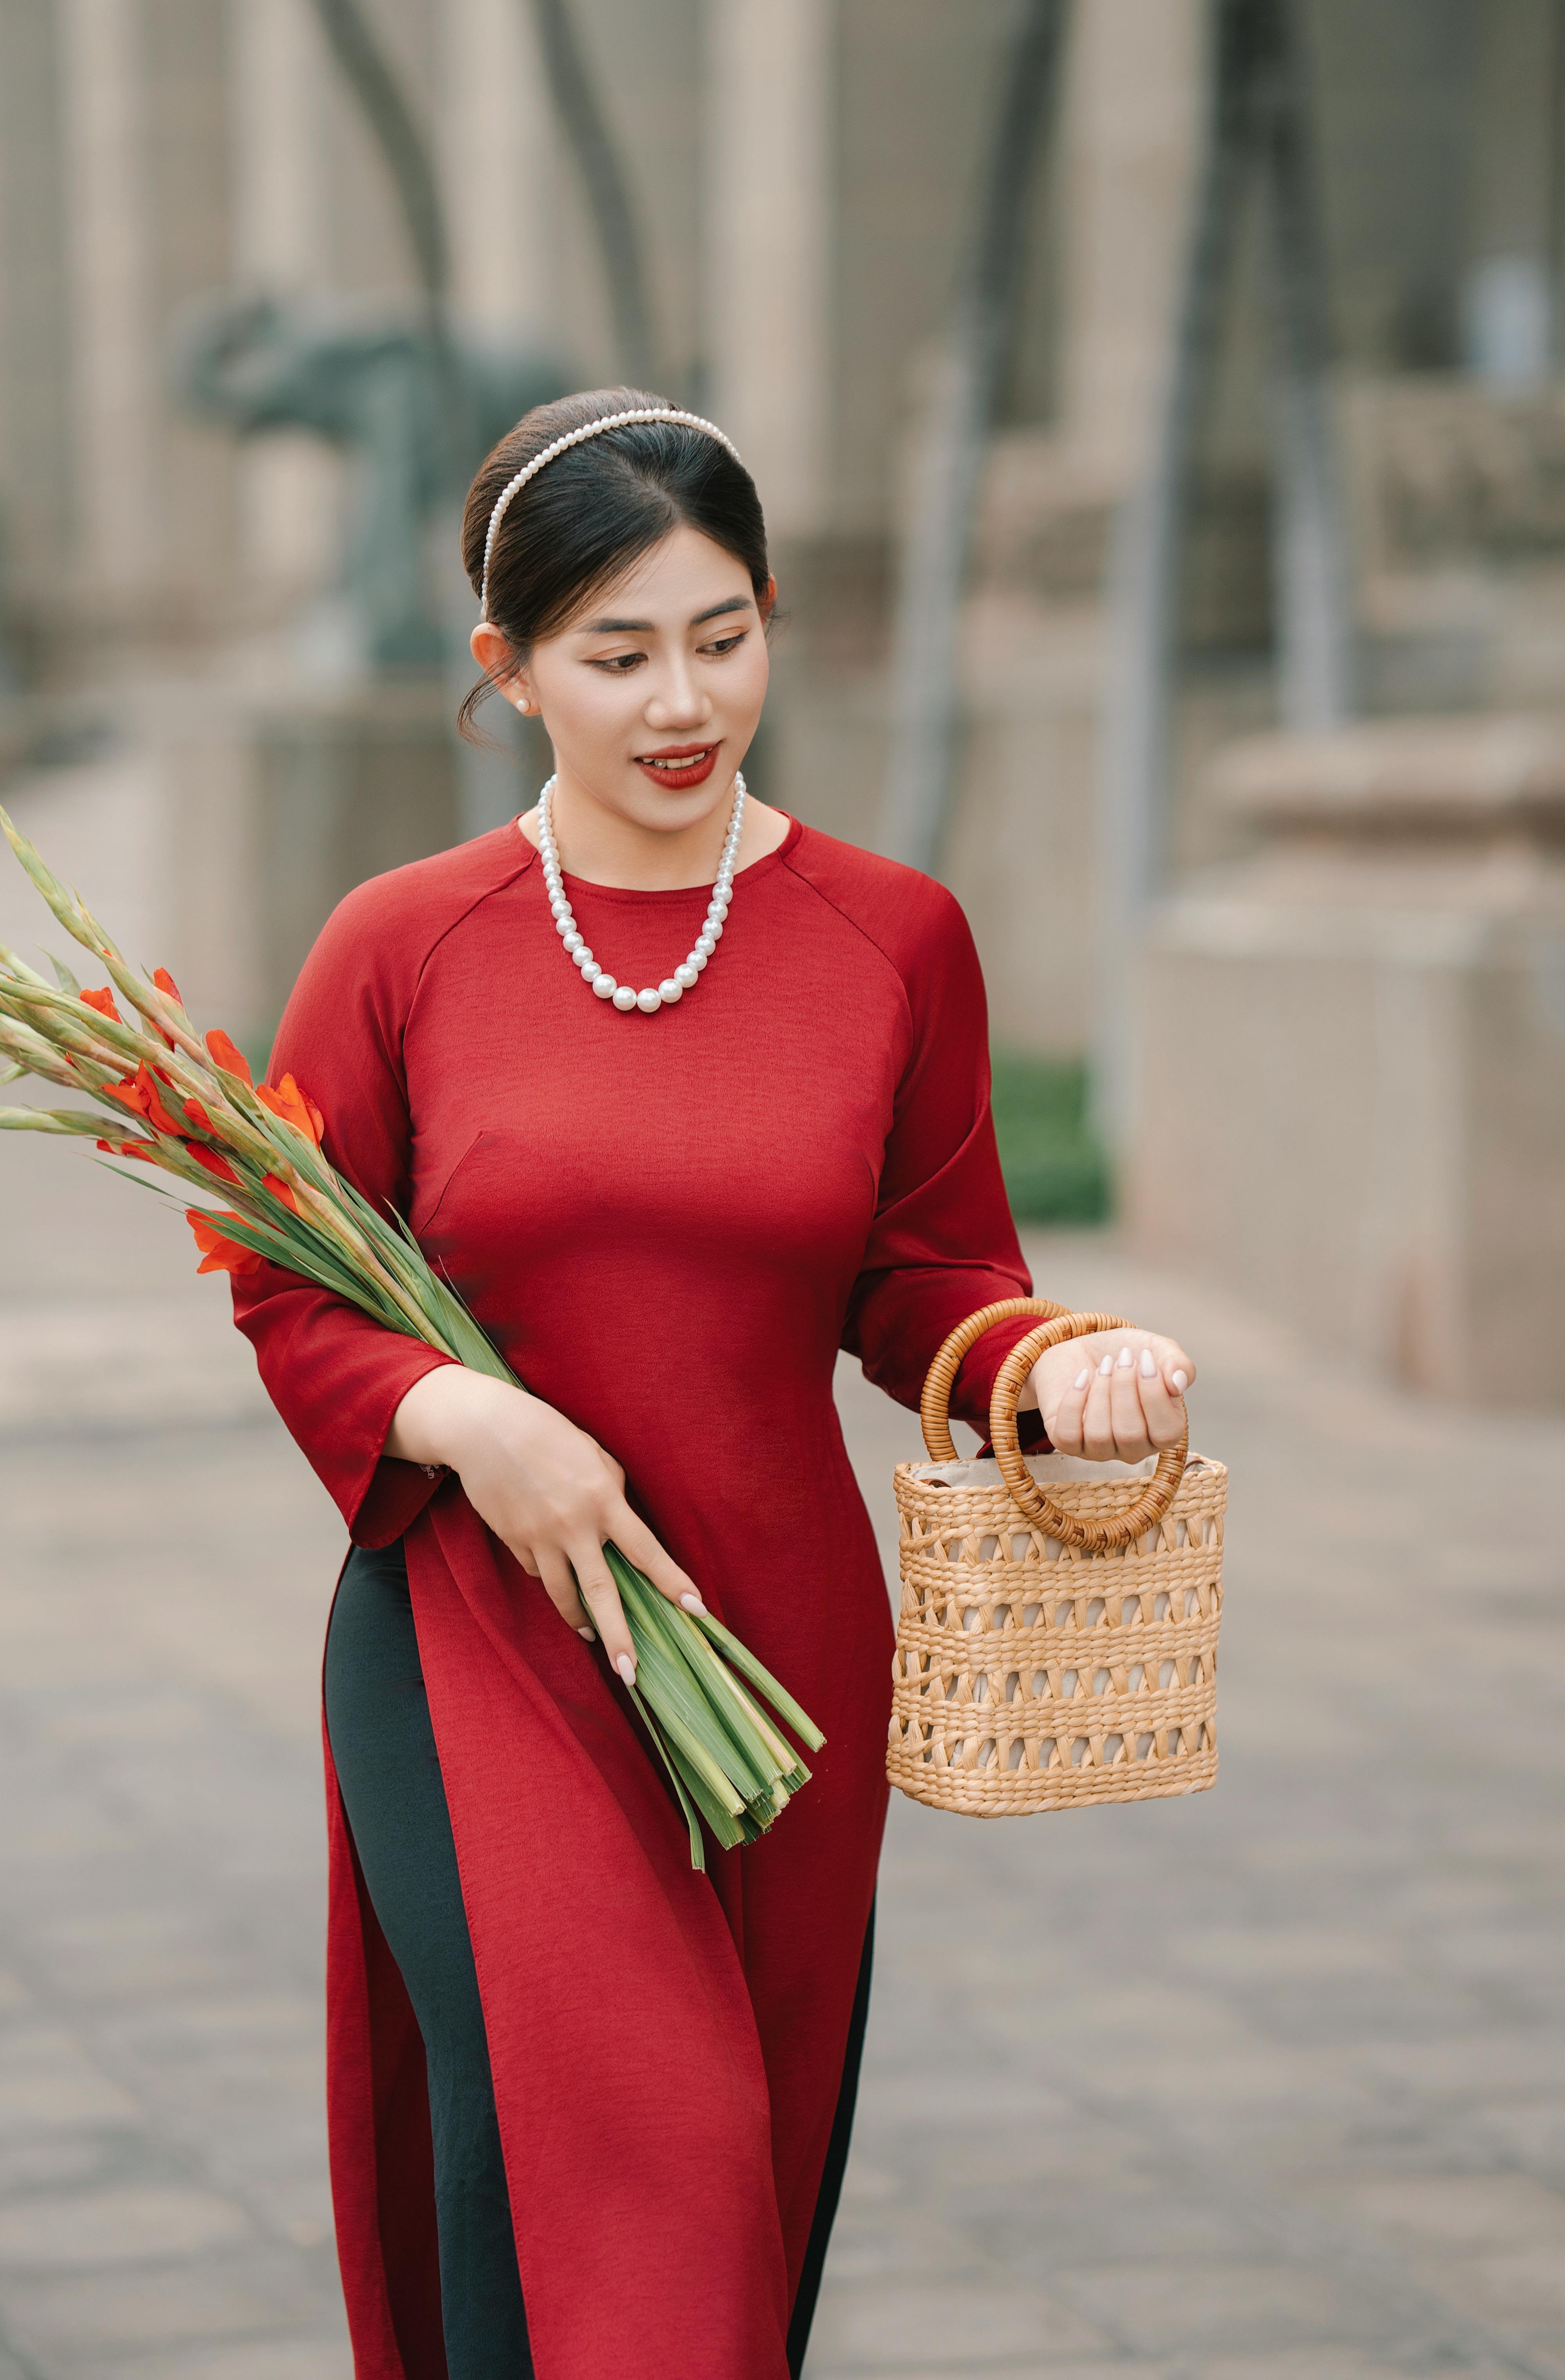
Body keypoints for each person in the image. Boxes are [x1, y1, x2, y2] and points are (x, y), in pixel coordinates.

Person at [231, 391, 1197, 2380]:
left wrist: (1055, 1362)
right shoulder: (400, 947)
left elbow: (928, 1276)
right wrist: (476, 1422)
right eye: (616, 652)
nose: (683, 700)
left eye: (723, 633)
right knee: (631, 2192)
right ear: (502, 673)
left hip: (782, 1656)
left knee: (741, 2200)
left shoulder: (894, 937)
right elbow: (289, 1277)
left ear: (769, 619)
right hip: (479, 1635)